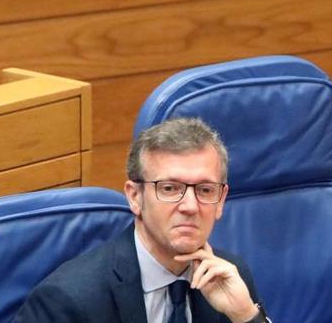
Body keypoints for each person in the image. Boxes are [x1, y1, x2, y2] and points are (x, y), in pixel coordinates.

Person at [15, 118, 270, 323]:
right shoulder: (69, 300)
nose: (190, 206)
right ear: (135, 197)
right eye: (169, 188)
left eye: (205, 190)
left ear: (221, 200)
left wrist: (247, 317)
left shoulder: (230, 276)